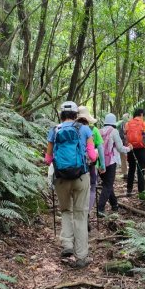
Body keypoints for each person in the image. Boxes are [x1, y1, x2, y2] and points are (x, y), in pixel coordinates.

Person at [45, 101, 98, 268]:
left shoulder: (54, 130)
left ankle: (67, 244)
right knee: (80, 214)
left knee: (66, 210)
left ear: (61, 115)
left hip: (61, 178)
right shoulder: (84, 129)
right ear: (76, 115)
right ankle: (81, 256)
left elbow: (48, 159)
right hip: (81, 177)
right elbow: (92, 156)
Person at [77, 106, 105, 225]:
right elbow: (99, 147)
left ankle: (78, 213)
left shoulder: (71, 128)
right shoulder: (93, 129)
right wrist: (102, 164)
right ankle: (87, 213)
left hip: (75, 164)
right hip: (91, 164)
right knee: (92, 186)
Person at [98, 113, 131, 216]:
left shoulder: (99, 131)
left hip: (100, 162)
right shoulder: (114, 131)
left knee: (108, 184)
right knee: (107, 185)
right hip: (111, 162)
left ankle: (114, 205)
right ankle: (100, 208)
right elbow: (120, 148)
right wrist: (129, 149)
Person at [117, 113, 130, 179]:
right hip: (130, 143)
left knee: (123, 159)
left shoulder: (120, 124)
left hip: (122, 143)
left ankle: (125, 173)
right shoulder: (130, 124)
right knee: (129, 159)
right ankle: (129, 173)